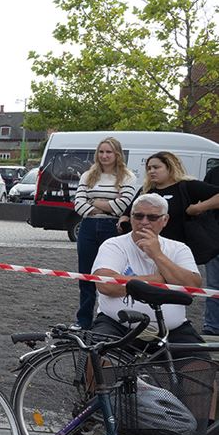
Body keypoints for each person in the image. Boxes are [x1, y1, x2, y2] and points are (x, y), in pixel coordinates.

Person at [92, 193, 203, 344]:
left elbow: (192, 288)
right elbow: (106, 285)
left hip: (172, 328)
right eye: (138, 216)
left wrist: (157, 255)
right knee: (98, 357)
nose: (144, 222)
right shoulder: (113, 245)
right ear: (130, 217)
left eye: (152, 217)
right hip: (118, 324)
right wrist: (158, 280)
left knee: (201, 365)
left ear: (165, 220)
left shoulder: (178, 248)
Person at [128, 151, 219, 334]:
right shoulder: (146, 190)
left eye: (156, 167)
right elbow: (130, 209)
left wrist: (198, 207)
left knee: (182, 288)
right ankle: (149, 323)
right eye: (149, 168)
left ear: (170, 167)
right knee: (153, 286)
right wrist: (123, 219)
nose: (151, 171)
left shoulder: (187, 186)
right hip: (147, 249)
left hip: (178, 249)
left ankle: (201, 326)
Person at [72, 137, 136, 329]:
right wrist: (106, 206)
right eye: (101, 152)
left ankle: (109, 319)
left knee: (111, 275)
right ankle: (83, 321)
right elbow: (78, 204)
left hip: (113, 227)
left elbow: (123, 206)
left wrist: (94, 202)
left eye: (109, 152)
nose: (105, 156)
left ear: (117, 154)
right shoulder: (87, 175)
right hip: (88, 227)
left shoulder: (127, 176)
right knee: (86, 275)